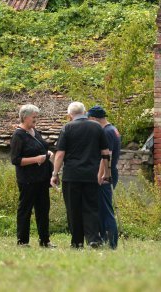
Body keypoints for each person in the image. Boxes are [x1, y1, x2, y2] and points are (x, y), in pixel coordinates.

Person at [50, 101, 111, 249]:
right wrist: (106, 173)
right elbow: (105, 153)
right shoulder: (97, 127)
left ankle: (77, 242)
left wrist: (54, 174)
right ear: (84, 112)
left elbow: (60, 154)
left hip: (72, 175)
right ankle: (93, 239)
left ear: (70, 114)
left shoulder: (67, 128)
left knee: (73, 208)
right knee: (91, 207)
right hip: (92, 174)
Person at [9, 104, 54, 248]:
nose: (36, 119)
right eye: (34, 117)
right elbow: (15, 160)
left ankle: (45, 241)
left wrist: (48, 154)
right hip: (27, 180)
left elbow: (43, 148)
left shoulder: (35, 131)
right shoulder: (18, 135)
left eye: (37, 116)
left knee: (43, 210)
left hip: (42, 178)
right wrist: (36, 159)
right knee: (25, 210)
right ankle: (22, 241)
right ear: (25, 117)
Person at [88, 105, 121, 249]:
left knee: (105, 209)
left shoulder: (106, 132)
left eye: (90, 119)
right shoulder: (112, 129)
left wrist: (102, 175)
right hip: (111, 171)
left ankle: (111, 243)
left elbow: (106, 155)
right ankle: (106, 240)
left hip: (106, 173)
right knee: (103, 208)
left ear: (94, 119)